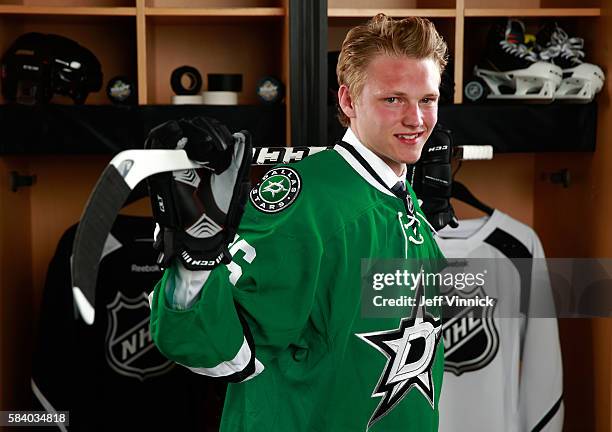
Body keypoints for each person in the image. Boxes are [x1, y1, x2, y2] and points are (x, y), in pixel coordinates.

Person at [149, 13, 448, 431]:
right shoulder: (303, 201)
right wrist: (194, 265)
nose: (417, 120)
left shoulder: (397, 188)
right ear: (347, 101)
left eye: (428, 99)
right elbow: (214, 347)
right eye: (393, 99)